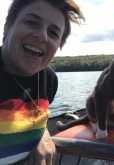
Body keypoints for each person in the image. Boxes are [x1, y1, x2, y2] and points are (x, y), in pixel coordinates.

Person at [0, 0, 85, 165]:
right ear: (8, 25)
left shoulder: (48, 79)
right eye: (32, 22)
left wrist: (40, 130)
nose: (42, 36)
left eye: (53, 32)